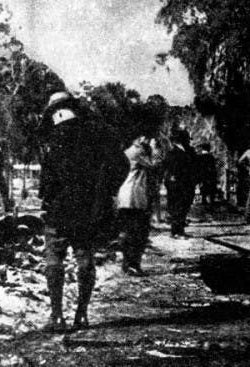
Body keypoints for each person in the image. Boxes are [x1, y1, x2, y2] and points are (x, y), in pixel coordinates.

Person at [38, 91, 121, 332]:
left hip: (59, 211)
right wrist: (106, 192)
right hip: (87, 210)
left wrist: (49, 200)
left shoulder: (53, 142)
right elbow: (120, 165)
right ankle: (82, 314)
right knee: (84, 257)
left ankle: (57, 316)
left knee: (54, 258)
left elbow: (46, 184)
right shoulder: (95, 138)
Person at [115, 136, 162, 276]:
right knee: (137, 233)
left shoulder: (128, 151)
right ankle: (132, 264)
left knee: (130, 232)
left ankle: (128, 264)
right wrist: (155, 149)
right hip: (134, 197)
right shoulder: (137, 152)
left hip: (127, 197)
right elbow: (154, 164)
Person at [163, 129, 197, 239]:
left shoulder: (190, 151)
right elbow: (168, 167)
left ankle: (180, 229)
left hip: (188, 182)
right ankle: (175, 231)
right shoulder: (172, 152)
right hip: (176, 183)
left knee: (185, 205)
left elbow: (195, 165)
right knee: (177, 206)